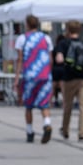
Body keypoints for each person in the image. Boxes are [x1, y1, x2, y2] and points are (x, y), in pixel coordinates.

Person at [18, 15, 54, 144]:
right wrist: (49, 73)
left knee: (28, 106)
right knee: (44, 103)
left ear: (27, 24)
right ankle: (47, 123)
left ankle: (29, 132)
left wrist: (17, 78)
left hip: (30, 76)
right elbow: (50, 59)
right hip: (44, 75)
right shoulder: (46, 38)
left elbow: (20, 60)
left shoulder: (22, 39)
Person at [55, 20, 83, 142]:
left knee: (68, 106)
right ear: (79, 30)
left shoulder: (63, 43)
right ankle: (82, 133)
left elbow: (59, 59)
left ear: (67, 30)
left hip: (69, 78)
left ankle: (65, 130)